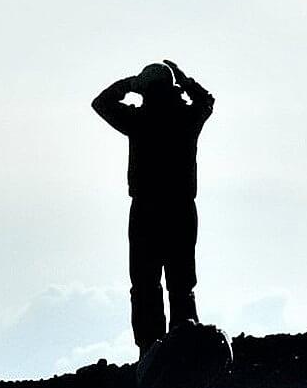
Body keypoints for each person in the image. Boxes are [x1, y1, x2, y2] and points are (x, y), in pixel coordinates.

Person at [92, 60, 215, 354]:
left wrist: (128, 84)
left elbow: (102, 103)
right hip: (181, 209)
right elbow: (207, 101)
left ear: (145, 91)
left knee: (146, 284)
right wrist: (186, 82)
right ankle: (185, 345)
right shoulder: (187, 118)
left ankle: (151, 350)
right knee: (181, 283)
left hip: (147, 210)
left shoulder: (139, 120)